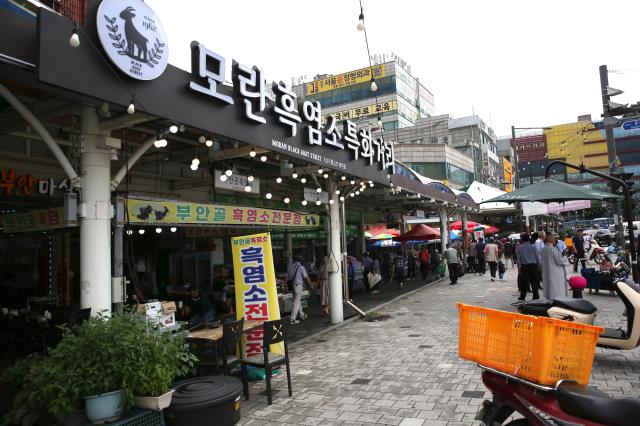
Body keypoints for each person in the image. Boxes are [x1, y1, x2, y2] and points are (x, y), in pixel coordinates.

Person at [541, 234, 568, 299]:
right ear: (551, 240)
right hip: (556, 272)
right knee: (556, 286)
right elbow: (559, 261)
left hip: (547, 271)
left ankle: (549, 298)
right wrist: (565, 257)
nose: (555, 241)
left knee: (549, 285)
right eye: (554, 239)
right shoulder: (553, 249)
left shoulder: (543, 249)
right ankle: (557, 299)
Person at [287, 256, 311, 324]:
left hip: (291, 286)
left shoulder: (290, 267)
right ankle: (292, 319)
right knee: (296, 302)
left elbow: (288, 276)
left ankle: (301, 315)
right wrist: (311, 285)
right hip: (298, 286)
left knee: (297, 300)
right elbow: (306, 277)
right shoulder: (301, 267)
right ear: (300, 260)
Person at [516, 233, 541, 300]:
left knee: (523, 282)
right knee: (534, 282)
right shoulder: (533, 246)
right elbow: (537, 257)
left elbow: (519, 259)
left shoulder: (519, 248)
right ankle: (536, 296)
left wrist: (519, 268)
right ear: (528, 239)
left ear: (522, 239)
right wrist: (539, 266)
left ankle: (522, 297)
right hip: (533, 266)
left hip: (524, 267)